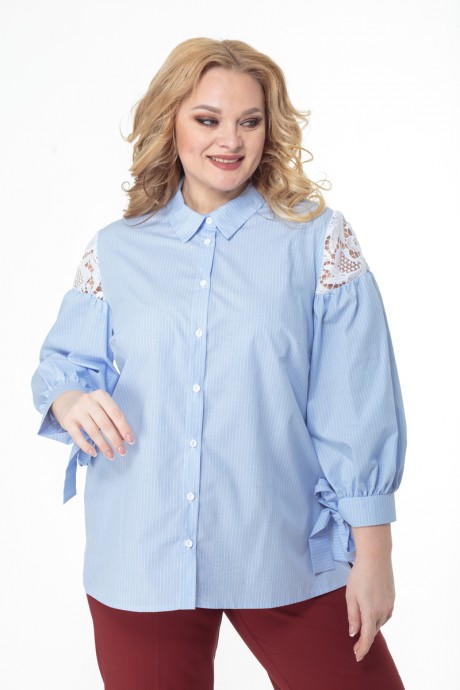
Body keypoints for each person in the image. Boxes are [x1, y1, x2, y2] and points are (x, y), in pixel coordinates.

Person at [31, 37, 407, 690]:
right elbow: (64, 363)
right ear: (171, 121)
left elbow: (356, 403)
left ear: (269, 129)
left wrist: (374, 552)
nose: (230, 140)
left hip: (283, 545)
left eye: (249, 121)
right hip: (141, 553)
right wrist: (70, 399)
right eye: (208, 119)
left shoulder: (318, 240)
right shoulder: (116, 250)